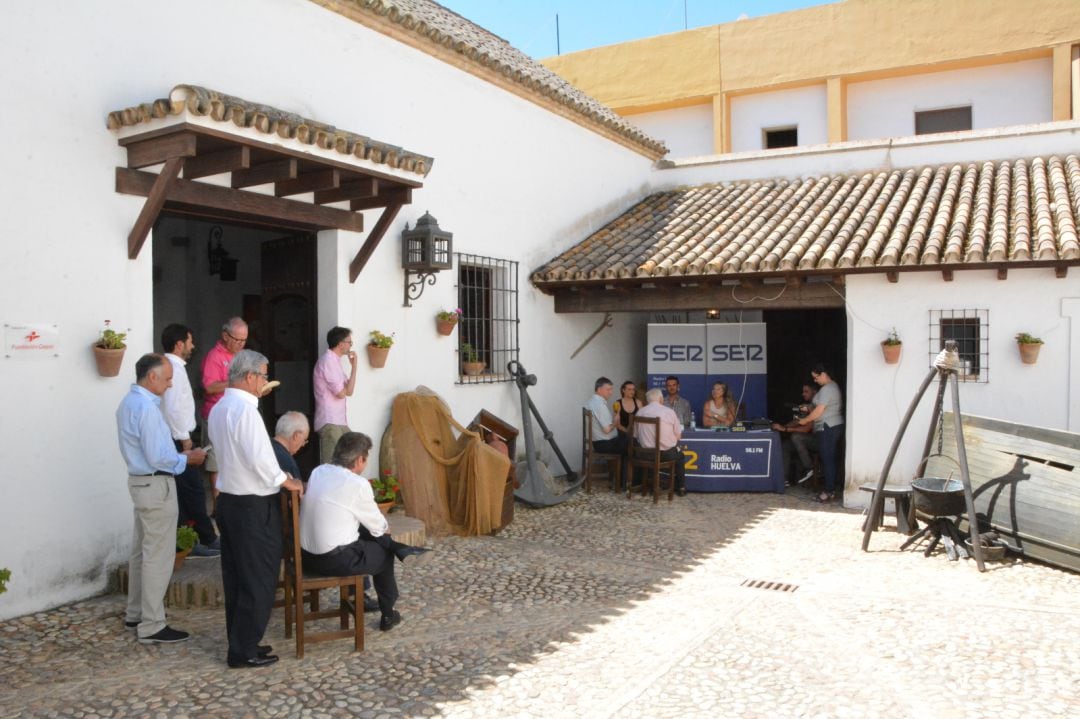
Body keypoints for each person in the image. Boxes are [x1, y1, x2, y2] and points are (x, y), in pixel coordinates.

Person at [209, 349, 304, 669]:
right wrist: (284, 480)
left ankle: (243, 641)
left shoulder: (221, 407)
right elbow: (259, 458)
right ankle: (243, 648)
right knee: (259, 579)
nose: (265, 382)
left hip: (230, 501)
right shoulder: (245, 411)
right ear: (249, 377)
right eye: (263, 375)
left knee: (238, 577)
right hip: (252, 506)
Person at [116, 353, 206, 644]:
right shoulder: (146, 408)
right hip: (156, 485)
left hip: (140, 484)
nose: (169, 385)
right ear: (151, 377)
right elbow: (159, 457)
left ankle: (136, 613)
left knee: (142, 552)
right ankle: (152, 624)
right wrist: (187, 459)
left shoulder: (128, 403)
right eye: (167, 379)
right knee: (158, 556)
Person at [300, 432, 430, 632]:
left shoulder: (318, 471)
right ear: (360, 459)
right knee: (383, 552)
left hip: (307, 556)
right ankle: (388, 613)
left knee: (361, 530)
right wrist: (385, 532)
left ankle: (364, 590)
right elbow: (379, 527)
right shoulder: (356, 484)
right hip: (331, 561)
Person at [160, 323, 219, 557]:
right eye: (190, 341)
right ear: (179, 344)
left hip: (176, 437)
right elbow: (174, 408)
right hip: (178, 439)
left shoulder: (172, 367)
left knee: (185, 491)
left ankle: (192, 539)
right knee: (192, 490)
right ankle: (205, 538)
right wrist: (184, 439)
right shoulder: (173, 368)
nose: (193, 346)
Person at [200, 317, 248, 501]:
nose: (240, 344)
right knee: (217, 463)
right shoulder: (215, 356)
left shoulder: (242, 356)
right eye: (237, 339)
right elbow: (209, 387)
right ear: (225, 335)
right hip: (217, 417)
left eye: (244, 340)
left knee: (238, 460)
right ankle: (218, 506)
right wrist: (236, 382)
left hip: (238, 415)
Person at [797, 364, 844, 503]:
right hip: (829, 426)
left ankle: (829, 491)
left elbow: (819, 411)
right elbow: (817, 406)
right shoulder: (829, 388)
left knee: (828, 459)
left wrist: (805, 420)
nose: (815, 381)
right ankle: (830, 490)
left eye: (816, 377)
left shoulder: (828, 389)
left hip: (828, 427)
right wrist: (808, 407)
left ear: (823, 374)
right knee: (828, 458)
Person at [313, 326, 359, 464]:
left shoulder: (335, 362)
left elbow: (349, 392)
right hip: (330, 420)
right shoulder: (328, 361)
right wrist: (344, 389)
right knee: (331, 465)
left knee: (351, 457)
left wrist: (354, 367)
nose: (350, 345)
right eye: (349, 342)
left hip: (339, 420)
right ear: (340, 343)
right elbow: (340, 393)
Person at [634, 388, 687, 496]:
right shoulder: (669, 412)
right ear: (661, 399)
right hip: (665, 454)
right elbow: (678, 436)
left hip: (645, 454)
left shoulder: (640, 412)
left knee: (654, 456)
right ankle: (681, 487)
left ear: (647, 400)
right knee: (680, 457)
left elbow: (635, 435)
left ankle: (652, 484)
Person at [771, 383, 816, 485]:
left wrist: (786, 429)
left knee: (796, 436)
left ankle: (809, 468)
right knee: (786, 446)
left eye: (806, 391)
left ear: (814, 391)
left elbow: (806, 429)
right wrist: (781, 427)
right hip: (807, 440)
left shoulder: (816, 406)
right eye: (803, 391)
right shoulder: (807, 406)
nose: (803, 394)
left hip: (818, 440)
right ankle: (784, 479)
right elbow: (797, 421)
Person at [584, 377, 627, 455]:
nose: (611, 392)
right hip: (605, 444)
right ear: (599, 389)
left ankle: (619, 466)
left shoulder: (591, 401)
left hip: (598, 442)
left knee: (625, 436)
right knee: (631, 441)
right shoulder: (600, 405)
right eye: (608, 389)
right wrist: (616, 421)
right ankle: (623, 467)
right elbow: (607, 430)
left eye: (611, 389)